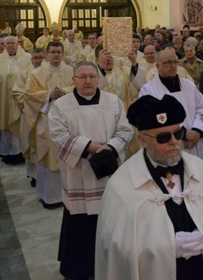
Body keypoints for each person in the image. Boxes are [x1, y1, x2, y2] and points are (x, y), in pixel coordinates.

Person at [96, 95, 203, 279]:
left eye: (178, 134)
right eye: (163, 137)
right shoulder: (122, 185)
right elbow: (117, 249)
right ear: (143, 140)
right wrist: (168, 246)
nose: (174, 142)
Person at [48, 61, 133, 279]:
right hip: (78, 175)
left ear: (98, 78)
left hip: (107, 172)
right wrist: (88, 147)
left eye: (92, 76)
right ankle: (78, 270)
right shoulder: (61, 105)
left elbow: (125, 129)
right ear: (73, 80)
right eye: (82, 77)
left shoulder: (112, 101)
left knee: (108, 220)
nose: (88, 81)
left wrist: (110, 148)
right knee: (79, 225)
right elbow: (57, 135)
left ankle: (110, 267)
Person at [20, 42, 73, 208]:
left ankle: (69, 196)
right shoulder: (36, 73)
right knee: (48, 154)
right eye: (53, 52)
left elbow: (78, 88)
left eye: (59, 52)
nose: (56, 55)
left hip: (69, 122)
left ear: (63, 54)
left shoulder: (72, 72)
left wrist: (65, 91)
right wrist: (49, 95)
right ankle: (49, 197)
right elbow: (29, 96)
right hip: (46, 121)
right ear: (47, 55)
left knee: (68, 156)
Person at [140, 48, 203, 161]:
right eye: (167, 62)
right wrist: (182, 133)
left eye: (175, 62)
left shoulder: (189, 85)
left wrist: (197, 130)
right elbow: (149, 119)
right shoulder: (148, 91)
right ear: (157, 65)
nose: (173, 66)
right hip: (168, 146)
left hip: (194, 144)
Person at [0, 35, 32, 164]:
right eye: (7, 43)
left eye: (12, 43)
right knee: (5, 126)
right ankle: (7, 153)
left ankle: (22, 152)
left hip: (21, 100)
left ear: (17, 44)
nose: (9, 46)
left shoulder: (27, 58)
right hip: (3, 98)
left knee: (21, 125)